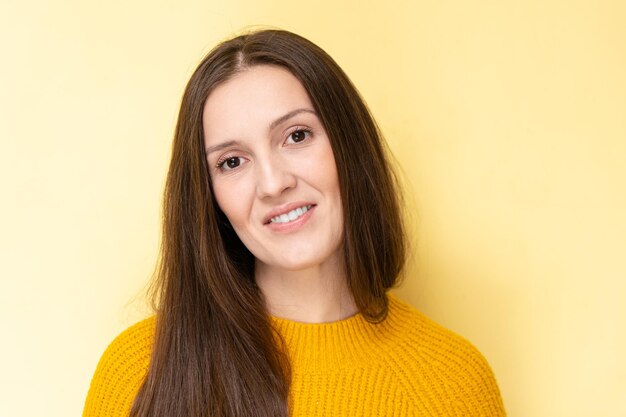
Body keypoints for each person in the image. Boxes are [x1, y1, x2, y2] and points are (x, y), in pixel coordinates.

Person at [82, 29, 507, 417]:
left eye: (297, 136)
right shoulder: (138, 373)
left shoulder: (453, 382)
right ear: (209, 198)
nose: (272, 183)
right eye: (232, 162)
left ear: (348, 144)